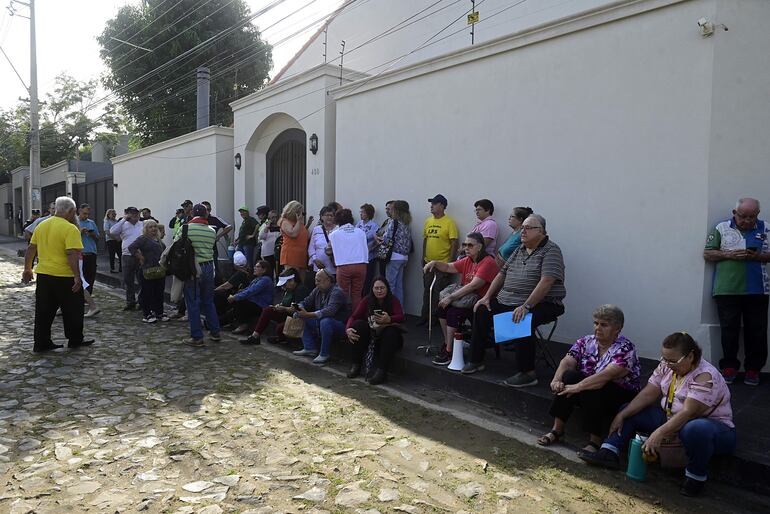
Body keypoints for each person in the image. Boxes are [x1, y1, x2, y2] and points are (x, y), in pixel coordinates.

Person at [580, 333, 736, 497]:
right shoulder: (666, 366)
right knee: (630, 408)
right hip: (672, 417)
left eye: (673, 361)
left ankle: (695, 477)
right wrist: (622, 415)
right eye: (664, 359)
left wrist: (659, 433)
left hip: (710, 427)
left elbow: (689, 413)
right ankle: (609, 451)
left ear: (690, 356)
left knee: (695, 429)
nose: (668, 365)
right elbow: (648, 394)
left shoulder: (705, 375)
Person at [464, 214, 566, 386]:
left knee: (521, 319)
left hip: (544, 303)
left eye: (528, 228)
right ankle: (476, 360)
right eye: (522, 227)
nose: (522, 231)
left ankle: (528, 373)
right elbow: (501, 273)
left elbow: (547, 281)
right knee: (481, 309)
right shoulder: (519, 249)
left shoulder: (551, 250)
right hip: (509, 299)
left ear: (541, 231)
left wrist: (526, 306)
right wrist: (487, 297)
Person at [537, 305, 641, 453]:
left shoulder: (625, 348)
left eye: (604, 325)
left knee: (593, 386)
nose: (598, 328)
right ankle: (557, 430)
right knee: (570, 376)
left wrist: (578, 386)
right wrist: (557, 380)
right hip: (589, 387)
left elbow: (607, 375)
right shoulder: (586, 341)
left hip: (619, 394)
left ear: (617, 329)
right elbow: (568, 361)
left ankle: (595, 441)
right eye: (596, 323)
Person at [703, 197, 769, 386]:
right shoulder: (721, 227)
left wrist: (758, 256)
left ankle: (753, 370)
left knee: (757, 331)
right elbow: (708, 253)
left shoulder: (766, 228)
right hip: (727, 289)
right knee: (729, 330)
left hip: (758, 289)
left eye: (752, 217)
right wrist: (729, 254)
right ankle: (729, 367)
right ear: (734, 213)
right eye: (743, 216)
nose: (748, 220)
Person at [22, 196, 94, 353]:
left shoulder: (42, 225)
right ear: (71, 211)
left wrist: (27, 269)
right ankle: (75, 340)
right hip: (64, 276)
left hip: (44, 275)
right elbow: (71, 253)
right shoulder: (70, 228)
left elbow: (31, 248)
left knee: (43, 311)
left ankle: (41, 342)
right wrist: (77, 276)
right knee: (73, 310)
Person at [426, 232, 499, 366]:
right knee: (441, 309)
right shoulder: (468, 260)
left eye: (470, 245)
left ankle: (449, 351)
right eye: (465, 245)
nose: (466, 248)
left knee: (452, 312)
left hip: (481, 301)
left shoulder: (487, 262)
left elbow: (474, 285)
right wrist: (435, 263)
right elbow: (449, 267)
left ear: (480, 247)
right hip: (466, 300)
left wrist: (451, 297)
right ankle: (449, 343)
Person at [345, 277, 405, 384]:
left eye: (382, 288)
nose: (379, 291)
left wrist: (389, 319)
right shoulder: (367, 300)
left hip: (387, 338)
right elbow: (353, 316)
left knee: (391, 332)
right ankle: (356, 365)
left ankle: (381, 372)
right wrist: (348, 329)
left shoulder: (393, 300)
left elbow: (401, 317)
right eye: (376, 288)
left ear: (387, 288)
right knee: (358, 325)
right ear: (372, 289)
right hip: (371, 336)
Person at [178, 203, 220, 347]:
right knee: (208, 301)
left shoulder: (186, 228)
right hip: (208, 266)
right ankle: (215, 332)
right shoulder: (211, 230)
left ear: (192, 214)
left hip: (193, 267)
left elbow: (177, 244)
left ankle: (197, 337)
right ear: (205, 214)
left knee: (193, 302)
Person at [292, 269, 351, 364]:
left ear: (327, 280)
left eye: (318, 281)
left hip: (339, 325)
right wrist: (299, 307)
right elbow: (306, 301)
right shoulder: (317, 290)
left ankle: (324, 353)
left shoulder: (337, 292)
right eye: (316, 280)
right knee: (299, 315)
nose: (316, 283)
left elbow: (330, 311)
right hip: (321, 321)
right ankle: (309, 347)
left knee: (325, 321)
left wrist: (308, 314)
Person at [241, 267, 309, 345]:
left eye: (285, 284)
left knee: (280, 328)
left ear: (292, 281)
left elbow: (297, 309)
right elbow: (285, 303)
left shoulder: (301, 290)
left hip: (297, 317)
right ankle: (255, 336)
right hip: (287, 314)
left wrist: (284, 308)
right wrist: (279, 306)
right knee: (268, 310)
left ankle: (281, 339)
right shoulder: (288, 290)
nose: (284, 287)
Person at [419, 194, 459, 326]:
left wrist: (450, 263)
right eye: (432, 203)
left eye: (435, 203)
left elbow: (454, 242)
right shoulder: (428, 221)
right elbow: (425, 240)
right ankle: (424, 317)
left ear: (442, 206)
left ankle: (434, 319)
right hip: (428, 263)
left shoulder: (449, 222)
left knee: (438, 291)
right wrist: (423, 257)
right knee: (426, 290)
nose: (431, 206)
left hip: (442, 264)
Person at [329, 208, 369, 311]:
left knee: (343, 294)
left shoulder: (334, 234)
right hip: (361, 265)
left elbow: (328, 250)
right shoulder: (360, 232)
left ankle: (343, 318)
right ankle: (356, 317)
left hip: (344, 265)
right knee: (357, 294)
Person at [128, 220, 167, 323]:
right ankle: (147, 314)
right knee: (147, 292)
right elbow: (131, 247)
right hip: (147, 269)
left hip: (159, 270)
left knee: (159, 292)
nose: (153, 229)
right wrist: (140, 256)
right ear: (146, 229)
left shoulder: (158, 239)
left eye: (155, 226)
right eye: (150, 227)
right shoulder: (143, 239)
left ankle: (159, 312)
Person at [378, 200, 412, 306]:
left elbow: (387, 239)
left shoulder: (394, 222)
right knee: (399, 286)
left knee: (390, 285)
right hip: (404, 257)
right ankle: (400, 310)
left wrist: (378, 238)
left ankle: (390, 310)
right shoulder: (407, 223)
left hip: (393, 256)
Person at [110, 206, 144, 310]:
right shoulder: (123, 224)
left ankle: (142, 301)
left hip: (140, 255)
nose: (134, 215)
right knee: (128, 280)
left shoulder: (142, 224)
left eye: (136, 213)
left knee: (142, 280)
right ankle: (130, 302)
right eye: (132, 213)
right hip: (127, 255)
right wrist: (124, 219)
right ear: (127, 214)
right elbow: (112, 231)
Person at [228, 260, 275, 334]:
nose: (254, 268)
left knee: (240, 301)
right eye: (255, 266)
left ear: (264, 269)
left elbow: (251, 291)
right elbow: (247, 289)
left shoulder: (265, 280)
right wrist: (235, 295)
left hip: (261, 306)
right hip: (253, 302)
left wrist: (235, 297)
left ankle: (244, 324)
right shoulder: (257, 279)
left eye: (258, 267)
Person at [214, 251, 252, 326]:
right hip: (241, 295)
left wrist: (213, 291)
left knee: (218, 294)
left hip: (238, 296)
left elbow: (225, 286)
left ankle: (215, 320)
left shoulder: (240, 273)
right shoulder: (249, 271)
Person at [201, 201, 233, 285]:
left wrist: (218, 236)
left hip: (212, 251)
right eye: (205, 209)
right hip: (199, 251)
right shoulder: (196, 220)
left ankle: (216, 291)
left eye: (208, 209)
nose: (206, 211)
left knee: (215, 272)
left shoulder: (214, 219)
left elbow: (229, 227)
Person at [76, 203, 100, 297]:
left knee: (90, 276)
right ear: (79, 211)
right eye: (84, 213)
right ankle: (79, 295)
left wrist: (92, 234)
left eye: (87, 214)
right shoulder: (74, 222)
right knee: (79, 276)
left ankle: (88, 296)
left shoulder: (91, 223)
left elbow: (98, 237)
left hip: (91, 253)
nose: (86, 216)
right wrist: (80, 232)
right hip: (79, 253)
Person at [279, 201, 309, 272]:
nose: (301, 215)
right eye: (299, 212)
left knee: (301, 280)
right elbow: (293, 234)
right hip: (291, 254)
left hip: (301, 254)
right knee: (292, 277)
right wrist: (299, 221)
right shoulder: (285, 222)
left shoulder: (299, 223)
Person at [308, 205, 338, 277]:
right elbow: (311, 247)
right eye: (327, 215)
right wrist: (315, 259)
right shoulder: (316, 229)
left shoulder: (338, 230)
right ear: (321, 217)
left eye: (331, 215)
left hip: (334, 268)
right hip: (319, 268)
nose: (329, 217)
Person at [356, 203, 379, 293]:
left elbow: (376, 240)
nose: (361, 214)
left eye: (363, 212)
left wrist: (370, 248)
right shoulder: (358, 224)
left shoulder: (374, 226)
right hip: (359, 257)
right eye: (360, 212)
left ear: (368, 213)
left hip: (370, 257)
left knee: (368, 279)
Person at [259, 210, 281, 279]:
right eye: (272, 217)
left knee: (278, 271)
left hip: (278, 252)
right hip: (268, 253)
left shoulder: (280, 225)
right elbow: (261, 236)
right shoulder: (265, 225)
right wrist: (267, 227)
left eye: (276, 217)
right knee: (269, 272)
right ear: (269, 218)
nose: (274, 219)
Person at [104, 209, 122, 273]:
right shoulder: (107, 221)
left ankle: (121, 268)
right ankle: (112, 268)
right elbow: (107, 232)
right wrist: (115, 238)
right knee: (112, 254)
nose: (114, 215)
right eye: (113, 214)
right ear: (108, 215)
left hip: (118, 239)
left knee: (120, 254)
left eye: (115, 214)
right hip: (110, 240)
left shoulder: (116, 221)